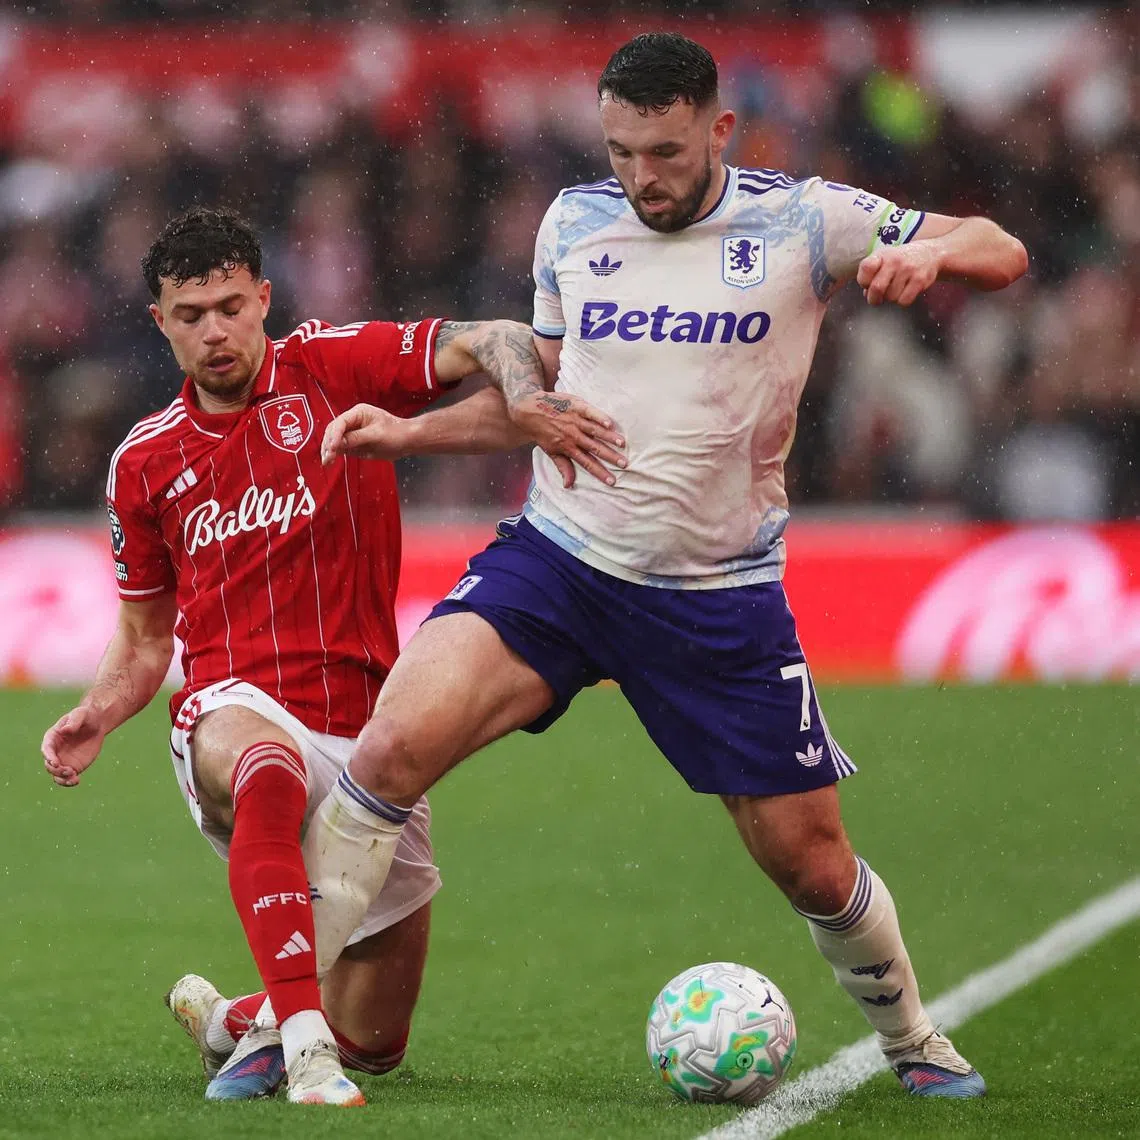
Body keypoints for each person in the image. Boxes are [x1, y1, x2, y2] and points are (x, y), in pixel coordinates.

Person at [298, 33, 1028, 1100]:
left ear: (719, 130)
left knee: (811, 863)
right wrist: (411, 435)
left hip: (715, 598)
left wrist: (931, 255)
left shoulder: (803, 219)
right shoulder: (573, 223)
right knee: (388, 750)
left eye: (667, 152)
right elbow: (542, 402)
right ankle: (288, 1022)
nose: (642, 176)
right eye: (622, 151)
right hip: (559, 564)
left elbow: (1000, 247)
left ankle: (914, 1039)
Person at [40, 206, 624, 1107]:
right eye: (190, 316)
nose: (214, 331)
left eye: (230, 307)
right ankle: (307, 1054)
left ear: (263, 299)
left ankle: (242, 1019)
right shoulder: (143, 462)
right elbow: (147, 639)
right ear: (160, 322)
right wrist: (100, 710)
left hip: (370, 741)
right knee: (267, 769)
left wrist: (521, 397)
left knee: (377, 1042)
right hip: (233, 711)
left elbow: (496, 337)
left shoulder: (332, 364)